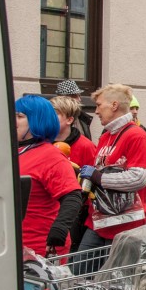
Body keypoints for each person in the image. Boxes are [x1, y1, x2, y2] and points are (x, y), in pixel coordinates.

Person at [77, 84, 146, 290]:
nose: (95, 111)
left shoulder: (135, 135)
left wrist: (98, 177)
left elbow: (139, 177)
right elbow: (99, 173)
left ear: (115, 106)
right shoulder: (106, 136)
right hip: (99, 222)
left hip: (125, 224)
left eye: (100, 106)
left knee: (122, 285)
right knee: (82, 277)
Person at [15, 95, 85, 290]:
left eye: (18, 116)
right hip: (15, 248)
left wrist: (58, 231)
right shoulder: (16, 152)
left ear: (34, 121)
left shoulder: (49, 156)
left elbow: (72, 196)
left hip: (41, 251)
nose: (12, 119)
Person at [50, 96, 97, 252]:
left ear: (69, 120)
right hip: (49, 210)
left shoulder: (85, 146)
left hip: (74, 214)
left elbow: (90, 181)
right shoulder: (43, 143)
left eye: (55, 114)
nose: (49, 118)